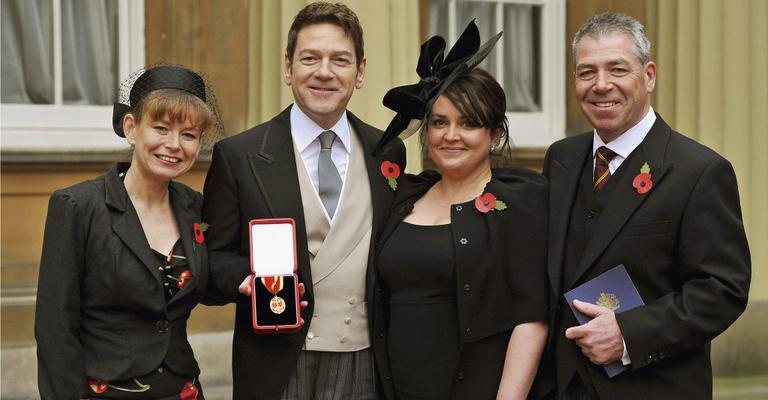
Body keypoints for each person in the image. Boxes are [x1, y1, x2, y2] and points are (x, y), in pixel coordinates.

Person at [201, 2, 406, 399]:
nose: (324, 72)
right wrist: (244, 280)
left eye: (340, 60)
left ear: (359, 72)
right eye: (310, 58)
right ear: (288, 68)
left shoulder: (388, 152)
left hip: (363, 360)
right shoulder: (240, 156)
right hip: (274, 361)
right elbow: (213, 259)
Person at [542, 12, 751, 399]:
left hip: (650, 387)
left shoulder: (699, 171)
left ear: (649, 75)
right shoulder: (561, 159)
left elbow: (723, 289)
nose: (601, 85)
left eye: (617, 69)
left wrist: (628, 335)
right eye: (586, 72)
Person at [371, 21, 548, 400]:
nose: (451, 135)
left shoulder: (519, 202)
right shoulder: (402, 197)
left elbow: (531, 319)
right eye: (439, 123)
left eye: (468, 124)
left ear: (495, 133)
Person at [35, 65, 224, 400]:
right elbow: (55, 328)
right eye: (161, 128)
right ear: (132, 127)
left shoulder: (197, 208)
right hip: (105, 391)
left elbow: (213, 277)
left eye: (189, 135)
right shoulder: (77, 206)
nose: (174, 145)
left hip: (183, 390)